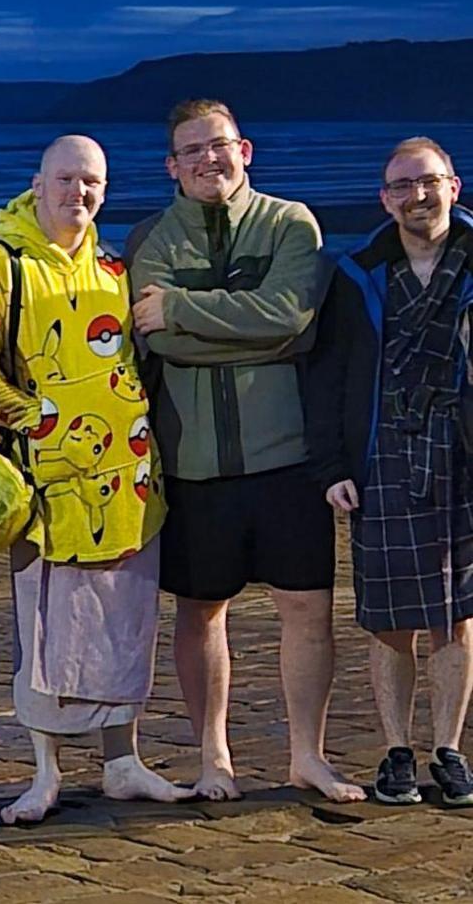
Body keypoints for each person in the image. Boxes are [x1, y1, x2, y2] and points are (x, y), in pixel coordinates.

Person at [126, 98, 363, 803]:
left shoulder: (291, 223)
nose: (208, 160)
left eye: (219, 145)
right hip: (194, 463)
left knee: (306, 607)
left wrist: (184, 309)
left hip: (288, 457)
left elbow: (290, 317)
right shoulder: (152, 237)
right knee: (200, 611)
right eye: (192, 150)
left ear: (246, 150)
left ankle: (306, 756)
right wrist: (242, 325)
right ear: (172, 165)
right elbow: (156, 338)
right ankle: (213, 756)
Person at [0, 136, 193, 823]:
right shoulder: (1, 265)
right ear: (38, 183)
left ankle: (124, 759)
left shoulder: (115, 264)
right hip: (48, 479)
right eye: (66, 179)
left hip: (126, 475)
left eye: (92, 181)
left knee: (124, 618)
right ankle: (45, 772)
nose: (79, 193)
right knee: (50, 628)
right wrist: (28, 418)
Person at [307, 137, 473, 807]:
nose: (417, 196)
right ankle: (396, 751)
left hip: (462, 453)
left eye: (428, 182)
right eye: (402, 187)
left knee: (458, 619)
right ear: (385, 199)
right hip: (384, 456)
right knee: (388, 620)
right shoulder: (357, 273)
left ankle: (450, 750)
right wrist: (332, 466)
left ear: (454, 186)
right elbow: (328, 378)